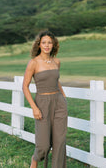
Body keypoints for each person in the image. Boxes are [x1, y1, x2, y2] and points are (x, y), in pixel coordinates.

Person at [22, 30, 68, 168]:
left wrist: (63, 97)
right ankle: (35, 160)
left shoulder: (56, 62)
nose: (47, 45)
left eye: (49, 42)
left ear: (53, 45)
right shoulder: (34, 63)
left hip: (59, 103)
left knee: (59, 142)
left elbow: (56, 81)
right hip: (42, 103)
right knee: (43, 144)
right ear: (39, 45)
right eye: (44, 43)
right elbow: (25, 86)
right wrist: (34, 108)